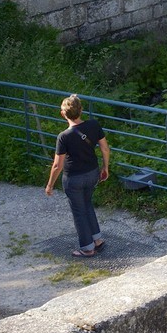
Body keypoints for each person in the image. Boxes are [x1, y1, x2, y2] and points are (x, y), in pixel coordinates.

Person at [44, 94, 110, 256]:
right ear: (81, 110)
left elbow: (57, 165)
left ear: (63, 114)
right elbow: (105, 149)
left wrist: (50, 184)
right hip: (92, 173)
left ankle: (87, 248)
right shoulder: (94, 125)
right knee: (87, 205)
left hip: (74, 179)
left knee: (79, 212)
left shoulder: (63, 137)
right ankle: (97, 240)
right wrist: (105, 168)